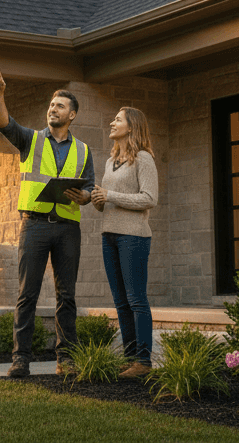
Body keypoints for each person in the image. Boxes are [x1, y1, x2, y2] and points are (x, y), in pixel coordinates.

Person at [0, 67, 93, 378]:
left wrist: (85, 197)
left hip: (67, 228)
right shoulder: (31, 139)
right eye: (51, 105)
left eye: (59, 106)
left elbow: (89, 187)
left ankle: (67, 359)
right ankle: (21, 358)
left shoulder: (84, 150)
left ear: (71, 115)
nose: (53, 109)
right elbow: (3, 123)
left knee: (67, 295)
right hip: (34, 226)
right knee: (27, 294)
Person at [90, 106, 159, 379]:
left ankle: (143, 361)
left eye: (117, 119)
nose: (111, 122)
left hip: (134, 236)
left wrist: (111, 196)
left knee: (136, 299)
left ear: (131, 127)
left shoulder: (144, 159)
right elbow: (109, 201)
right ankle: (130, 358)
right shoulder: (110, 162)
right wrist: (98, 201)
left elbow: (149, 199)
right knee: (120, 301)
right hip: (110, 235)